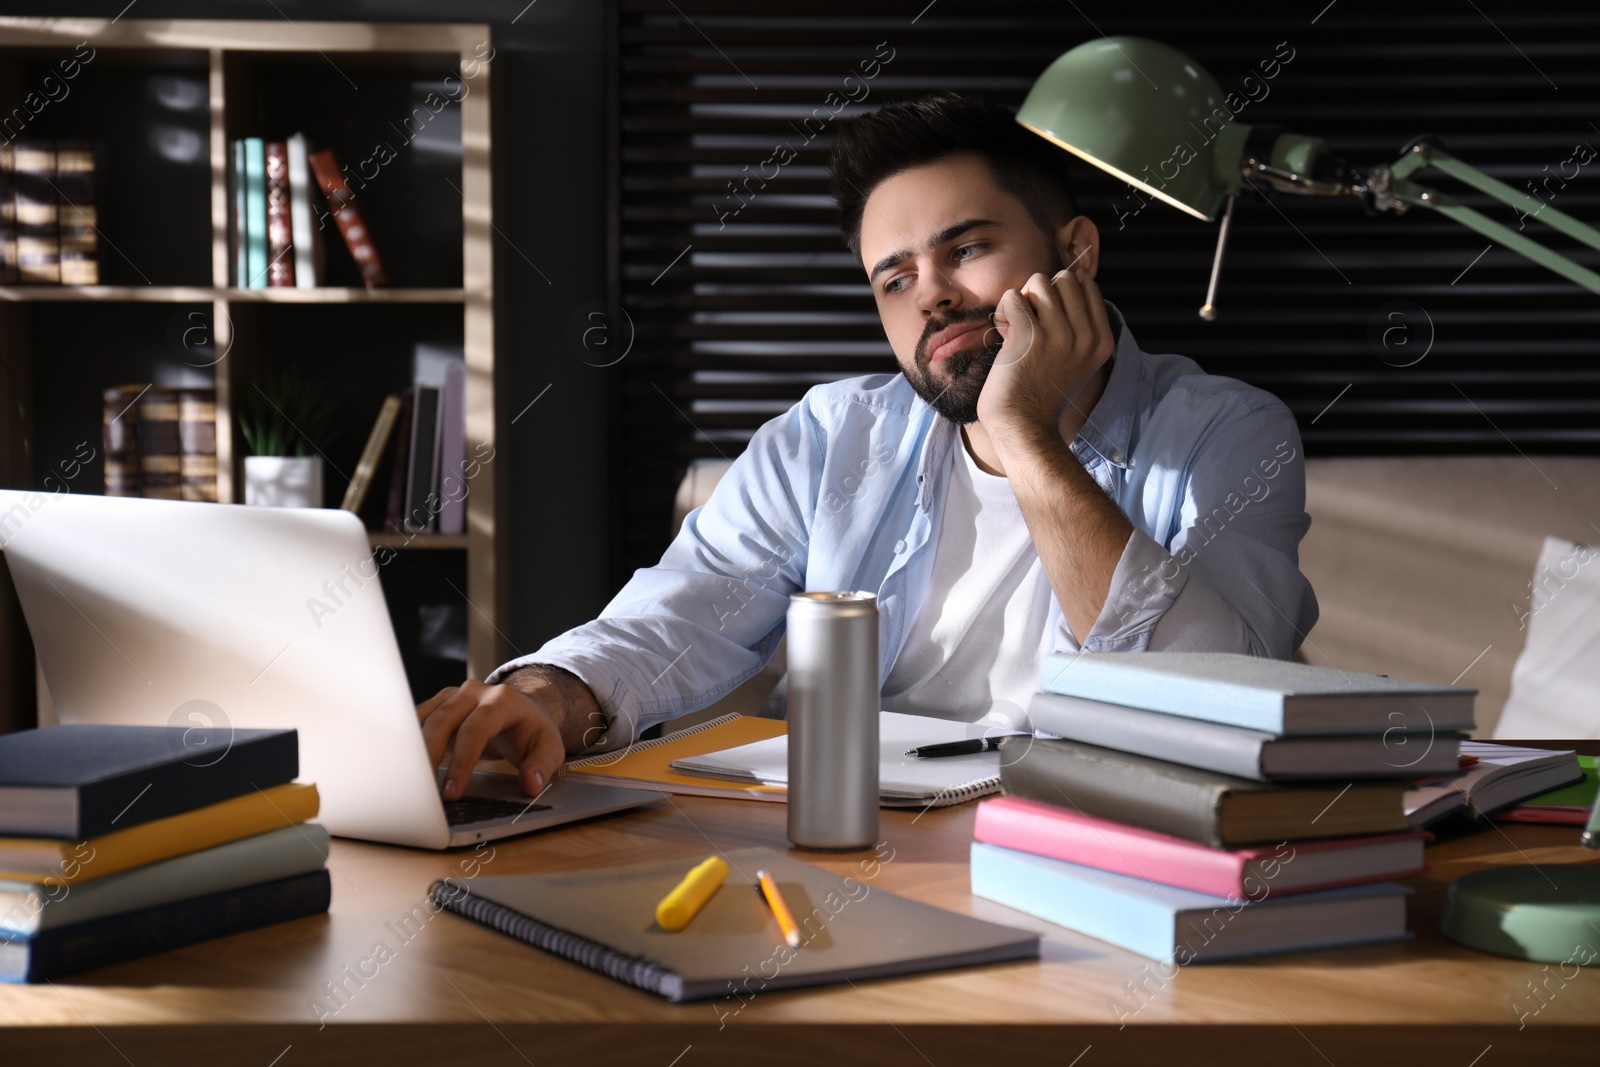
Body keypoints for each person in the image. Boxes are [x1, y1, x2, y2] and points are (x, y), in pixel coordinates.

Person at [417, 91, 1318, 802]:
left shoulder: (1224, 434)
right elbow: (680, 613)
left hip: (1083, 847)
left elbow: (1207, 701)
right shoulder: (826, 439)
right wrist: (551, 692)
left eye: (966, 248)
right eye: (896, 278)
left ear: (1077, 254)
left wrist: (1024, 433)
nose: (930, 297)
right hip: (838, 838)